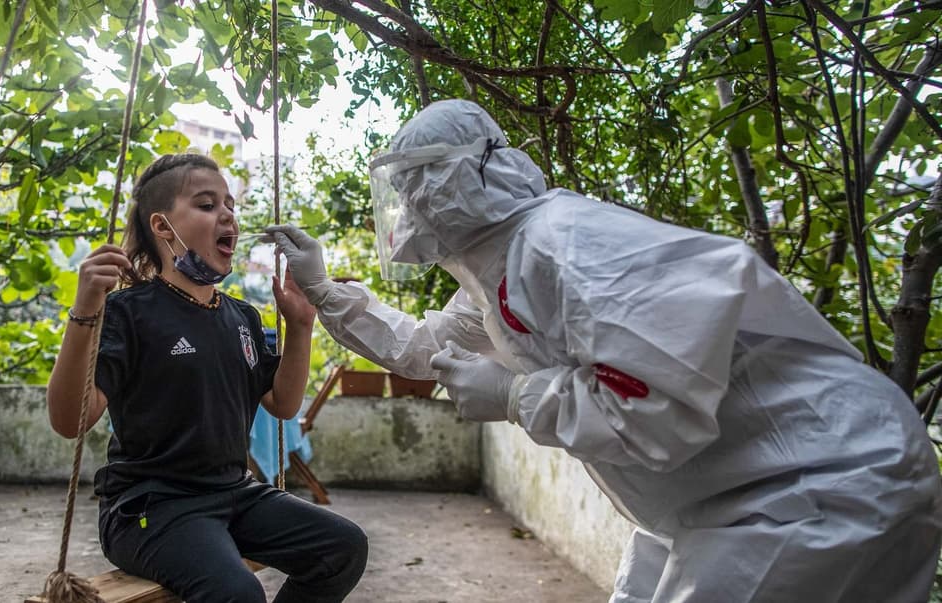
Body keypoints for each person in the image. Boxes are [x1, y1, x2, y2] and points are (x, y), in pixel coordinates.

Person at [265, 99, 942, 602]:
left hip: (822, 479)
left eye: (416, 188)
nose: (408, 212)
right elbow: (426, 351)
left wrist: (514, 395)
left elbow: (655, 409)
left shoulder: (571, 245)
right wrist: (325, 289)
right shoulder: (499, 273)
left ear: (455, 182)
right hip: (720, 496)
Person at [47, 153, 367, 603]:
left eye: (230, 206)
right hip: (149, 507)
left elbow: (282, 403)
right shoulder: (127, 311)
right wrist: (83, 312)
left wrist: (300, 326)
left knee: (343, 547)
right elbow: (69, 421)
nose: (228, 217)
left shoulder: (242, 317)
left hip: (233, 495)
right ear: (163, 226)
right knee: (237, 593)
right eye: (207, 204)